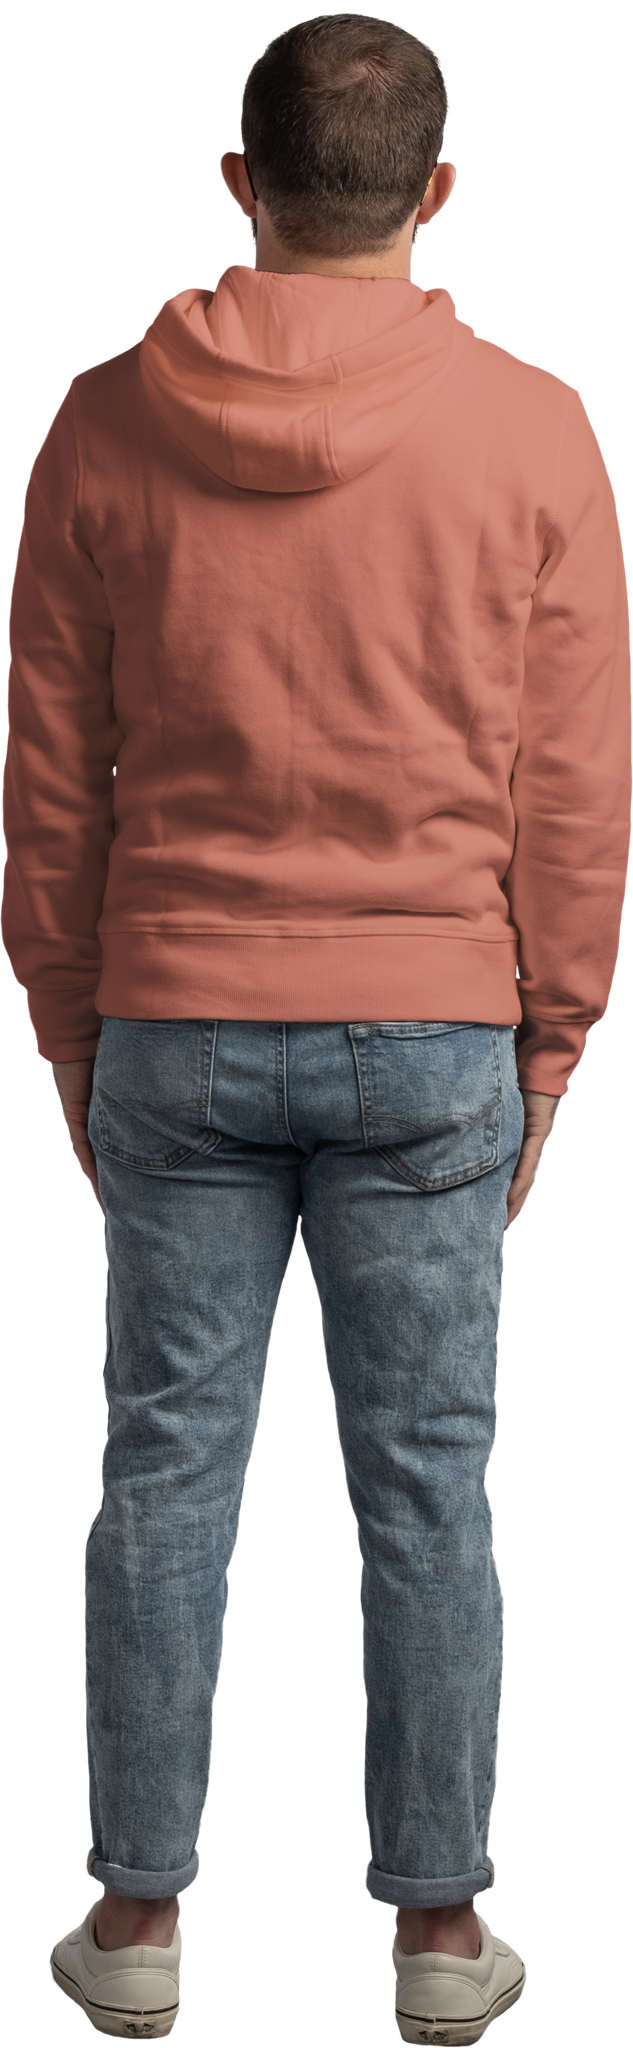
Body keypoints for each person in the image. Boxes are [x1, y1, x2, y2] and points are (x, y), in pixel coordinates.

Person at [3, 17, 629, 2043]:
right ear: (435, 193)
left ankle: (136, 1920)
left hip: (173, 1010)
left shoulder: (101, 420)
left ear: (238, 181)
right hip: (436, 1022)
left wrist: (65, 1021)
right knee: (429, 1487)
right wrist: (552, 1040)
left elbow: (54, 771)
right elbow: (574, 783)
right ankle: (438, 1939)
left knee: (163, 1470)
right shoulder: (534, 428)